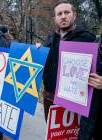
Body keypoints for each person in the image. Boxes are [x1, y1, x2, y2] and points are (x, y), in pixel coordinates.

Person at [36, 1, 102, 140]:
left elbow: (99, 67)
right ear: (55, 18)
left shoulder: (88, 38)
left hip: (75, 101)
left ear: (74, 15)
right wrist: (38, 50)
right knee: (54, 135)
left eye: (67, 12)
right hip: (50, 97)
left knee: (72, 135)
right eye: (59, 14)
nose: (63, 16)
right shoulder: (51, 38)